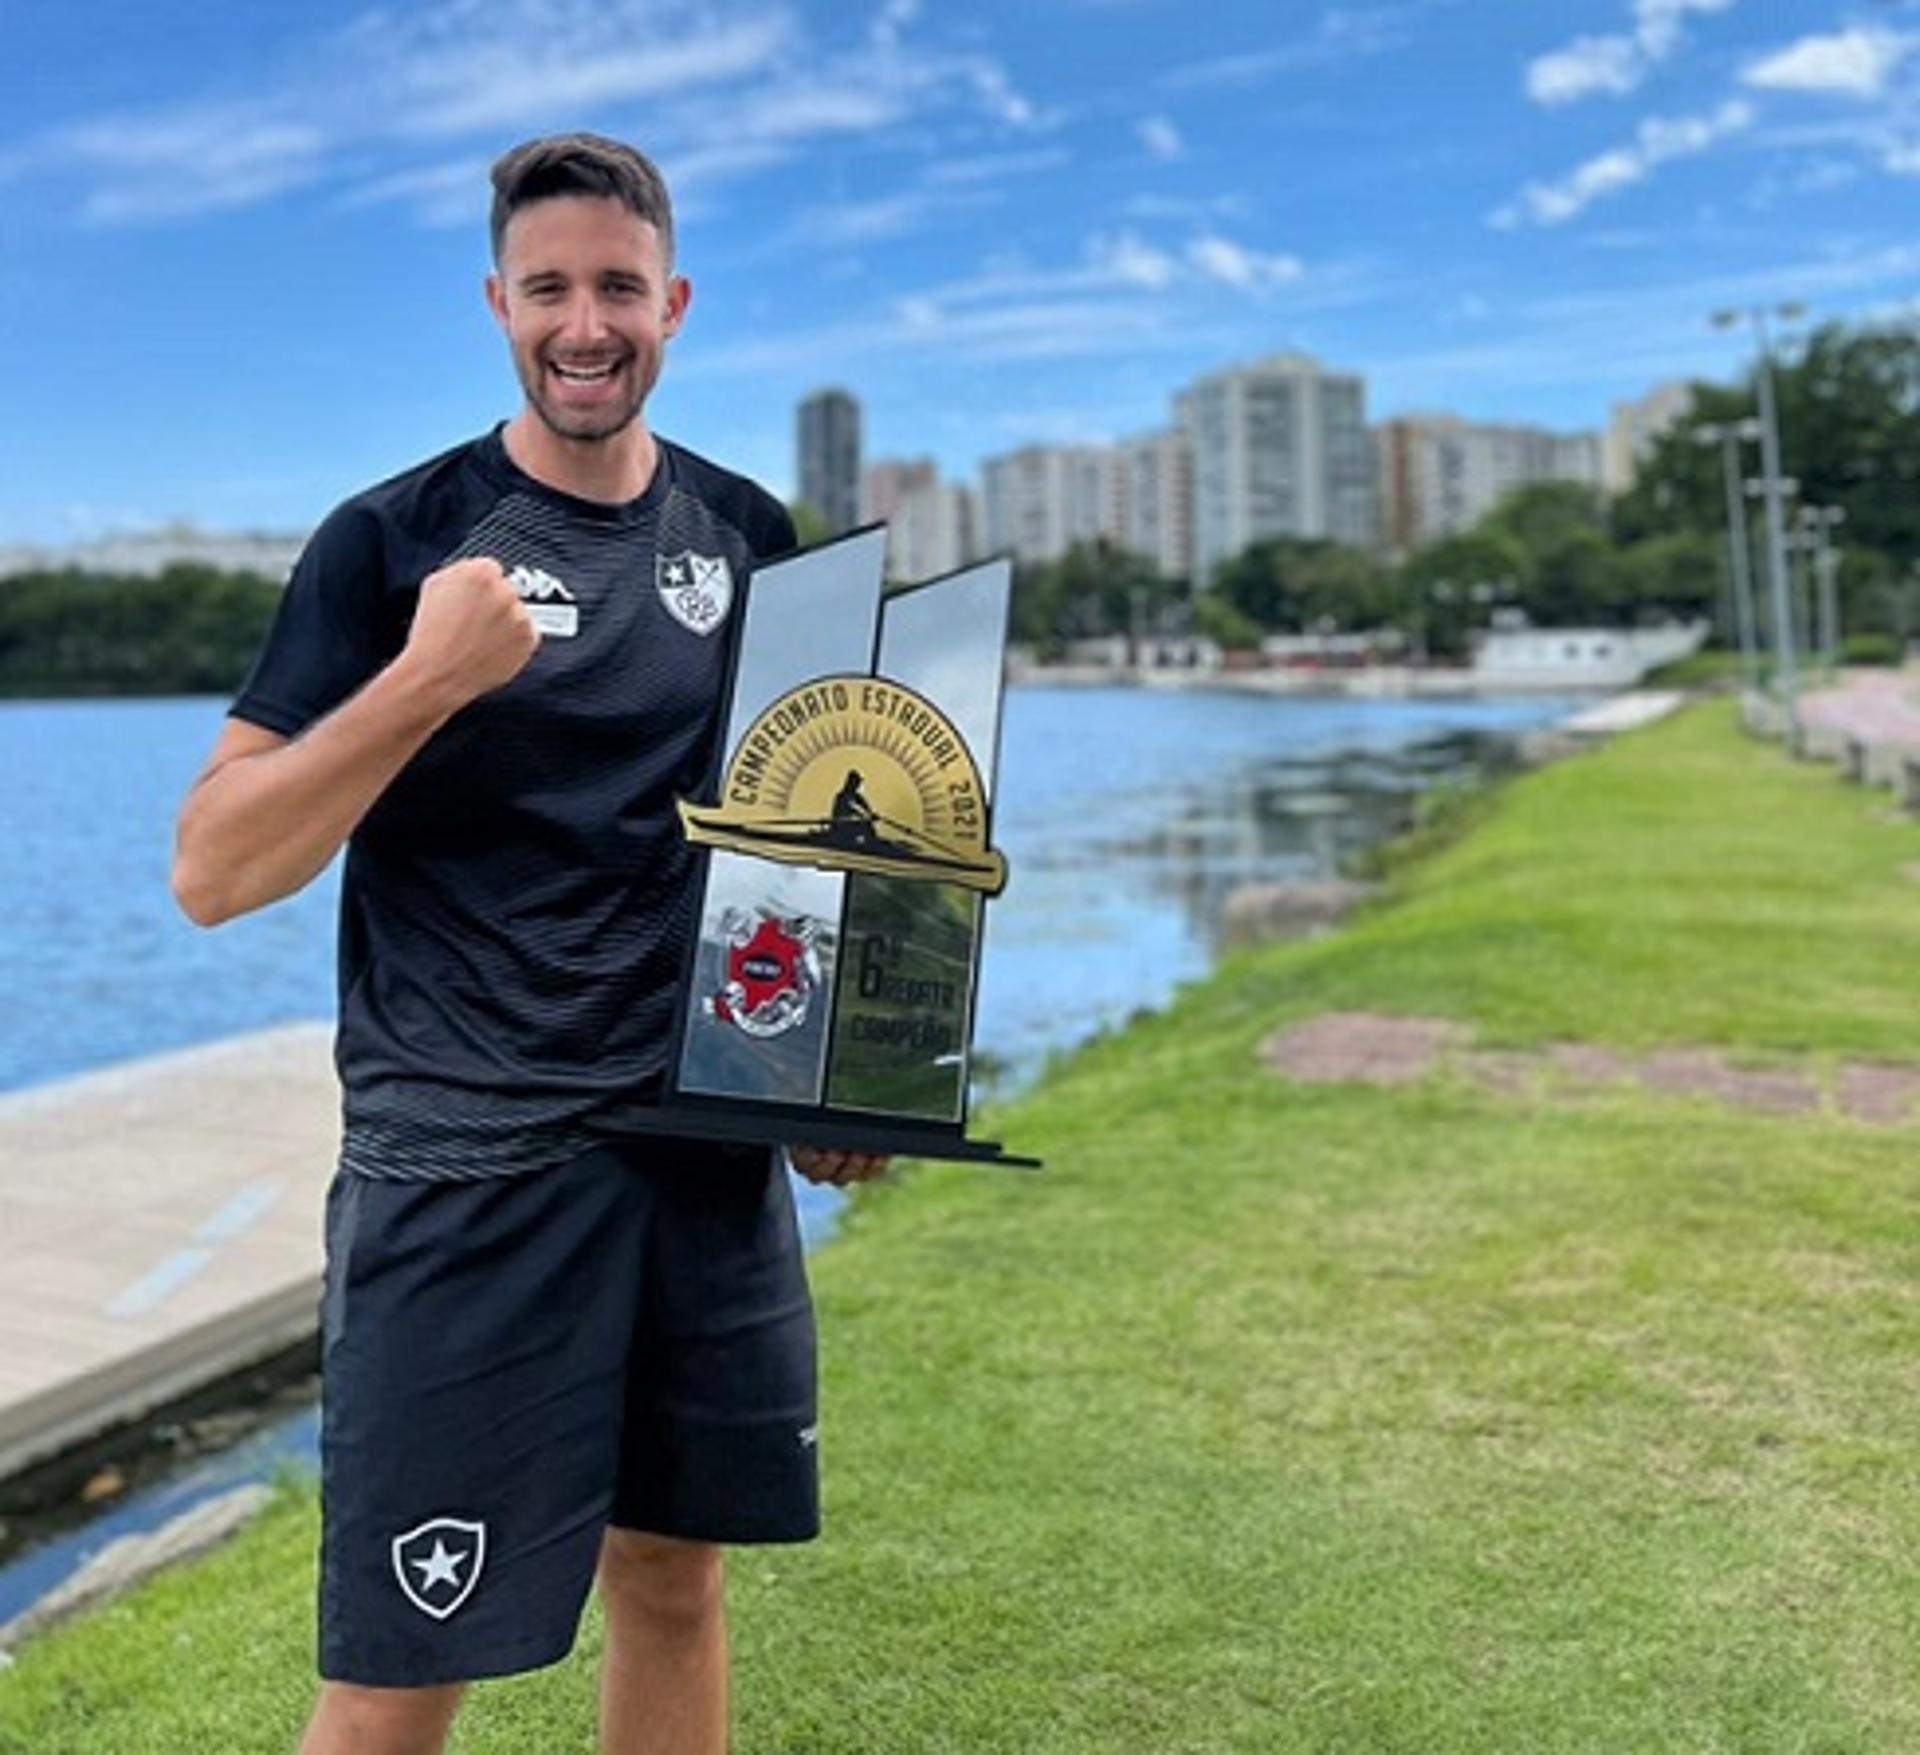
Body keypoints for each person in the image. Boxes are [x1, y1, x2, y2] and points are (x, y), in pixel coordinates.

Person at [171, 132, 886, 1755]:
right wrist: (427, 680)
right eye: (550, 288)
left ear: (675, 303)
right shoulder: (393, 539)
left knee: (676, 1584)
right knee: (401, 1667)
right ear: (498, 303)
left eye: (619, 287)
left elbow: (809, 839)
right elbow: (215, 870)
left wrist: (832, 1080)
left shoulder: (754, 535)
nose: (587, 323)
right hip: (470, 1168)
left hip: (698, 1161)